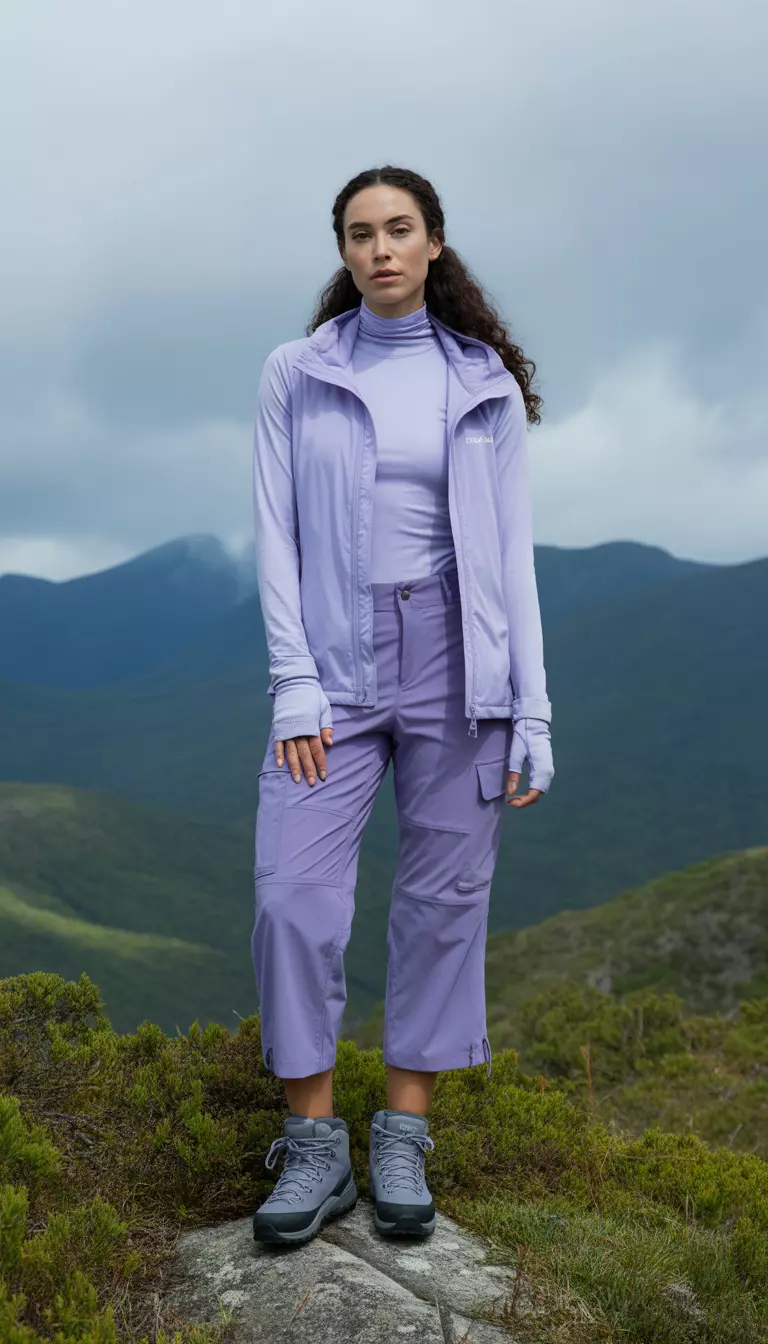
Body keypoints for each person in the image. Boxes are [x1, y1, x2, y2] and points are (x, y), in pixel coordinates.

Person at [250, 164, 554, 1247]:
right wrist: (292, 681)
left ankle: (402, 1138)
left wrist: (534, 707)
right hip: (330, 664)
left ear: (434, 244)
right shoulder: (297, 373)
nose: (380, 248)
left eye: (399, 229)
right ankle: (316, 1142)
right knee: (293, 893)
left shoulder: (482, 385)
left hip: (458, 658)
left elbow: (512, 555)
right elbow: (274, 535)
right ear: (342, 253)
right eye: (359, 233)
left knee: (443, 901)